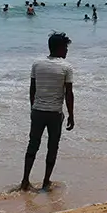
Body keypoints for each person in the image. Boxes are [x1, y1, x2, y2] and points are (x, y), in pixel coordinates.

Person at [20, 32, 74, 192]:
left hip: (37, 111)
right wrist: (71, 114)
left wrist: (33, 107)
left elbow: (32, 89)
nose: (66, 51)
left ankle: (24, 181)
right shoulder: (66, 67)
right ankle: (45, 183)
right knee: (52, 147)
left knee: (32, 146)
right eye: (65, 47)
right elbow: (68, 93)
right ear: (59, 48)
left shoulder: (37, 64)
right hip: (55, 113)